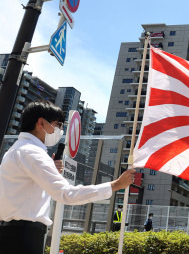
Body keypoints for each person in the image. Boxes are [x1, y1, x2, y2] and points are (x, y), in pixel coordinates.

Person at [0, 101, 136, 254]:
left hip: (10, 233)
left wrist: (49, 170)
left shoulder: (14, 151)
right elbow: (67, 194)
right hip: (24, 237)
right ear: (41, 123)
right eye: (58, 125)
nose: (61, 130)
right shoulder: (33, 153)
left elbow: (23, 190)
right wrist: (115, 185)